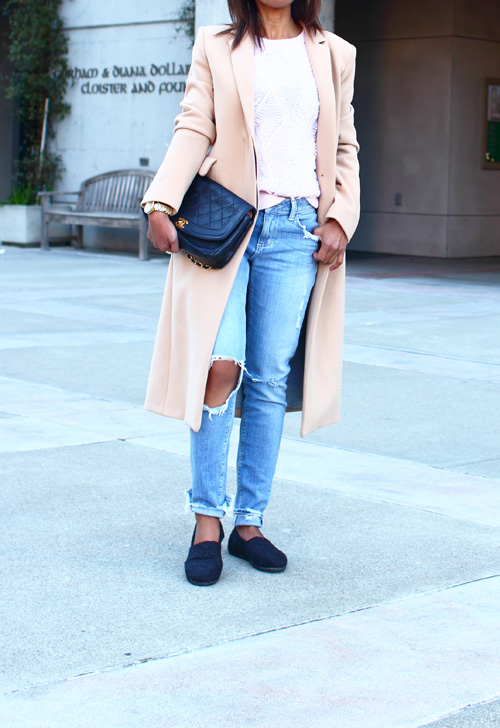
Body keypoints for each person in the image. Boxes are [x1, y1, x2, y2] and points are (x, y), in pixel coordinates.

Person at [142, 0, 360, 586]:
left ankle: (249, 523)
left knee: (268, 378)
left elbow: (344, 146)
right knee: (220, 365)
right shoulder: (217, 45)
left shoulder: (335, 54)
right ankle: (206, 520)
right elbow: (195, 125)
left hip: (297, 230)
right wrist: (161, 199)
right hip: (227, 226)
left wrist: (341, 217)